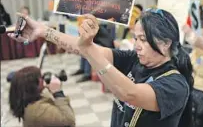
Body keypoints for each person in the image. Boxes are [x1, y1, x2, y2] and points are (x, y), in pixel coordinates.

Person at [8, 9, 193, 127]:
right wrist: (43, 31)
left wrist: (88, 48)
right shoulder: (135, 59)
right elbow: (81, 47)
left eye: (143, 40)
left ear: (166, 43)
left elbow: (129, 94)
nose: (136, 45)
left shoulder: (175, 84)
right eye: (136, 38)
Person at [9, 66, 75, 127]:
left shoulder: (28, 101)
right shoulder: (38, 110)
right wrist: (58, 93)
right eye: (41, 77)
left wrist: (51, 89)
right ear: (33, 85)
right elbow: (69, 120)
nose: (43, 79)